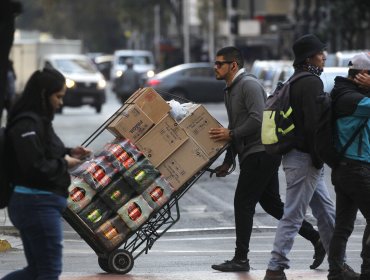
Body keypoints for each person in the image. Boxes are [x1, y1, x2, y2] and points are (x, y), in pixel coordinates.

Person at [208, 46, 325, 273]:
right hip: (253, 153)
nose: (215, 67)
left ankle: (241, 258)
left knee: (243, 203)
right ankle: (316, 238)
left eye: (219, 63)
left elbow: (258, 119)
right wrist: (228, 159)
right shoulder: (230, 89)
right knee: (271, 204)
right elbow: (235, 125)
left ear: (233, 65)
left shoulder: (248, 85)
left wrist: (231, 135)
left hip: (261, 152)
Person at [2, 68, 91, 280]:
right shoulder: (27, 123)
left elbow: (46, 150)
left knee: (36, 271)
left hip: (39, 203)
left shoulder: (40, 121)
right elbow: (34, 165)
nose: (60, 103)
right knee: (49, 272)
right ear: (44, 94)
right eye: (58, 96)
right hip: (36, 204)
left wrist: (70, 152)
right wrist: (65, 163)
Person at [262, 34, 338, 280]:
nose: (324, 56)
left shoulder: (294, 80)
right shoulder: (310, 83)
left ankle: (338, 262)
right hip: (305, 159)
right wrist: (320, 156)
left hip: (301, 157)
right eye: (320, 53)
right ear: (309, 58)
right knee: (293, 215)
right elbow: (314, 125)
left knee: (326, 212)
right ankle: (275, 267)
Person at [327, 52, 370, 280]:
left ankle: (336, 271)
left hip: (346, 169)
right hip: (357, 170)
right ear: (362, 75)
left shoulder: (344, 94)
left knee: (343, 225)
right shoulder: (353, 100)